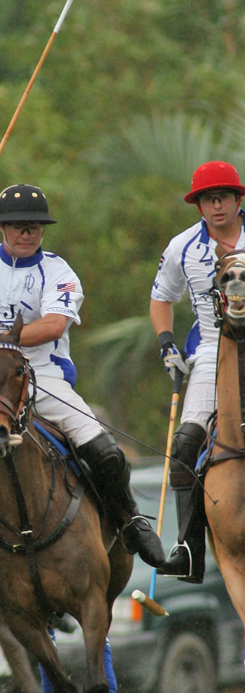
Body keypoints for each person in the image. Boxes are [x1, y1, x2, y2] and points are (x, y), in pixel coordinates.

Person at [0, 183, 166, 568]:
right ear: (2, 228)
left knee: (102, 446)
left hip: (42, 376)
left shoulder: (58, 271)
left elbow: (53, 325)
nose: (26, 233)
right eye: (18, 226)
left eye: (34, 226)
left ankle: (130, 521)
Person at [150, 161, 245, 584]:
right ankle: (189, 549)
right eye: (209, 198)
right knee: (186, 443)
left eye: (224, 196)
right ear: (199, 205)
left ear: (238, 199)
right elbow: (160, 299)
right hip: (212, 349)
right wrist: (167, 341)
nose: (217, 205)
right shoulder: (182, 248)